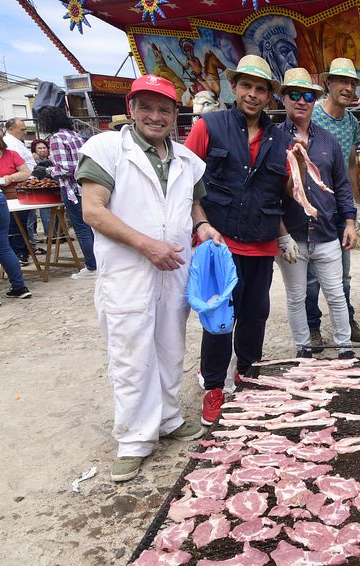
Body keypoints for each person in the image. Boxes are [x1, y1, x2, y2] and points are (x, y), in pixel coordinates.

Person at [76, 74, 220, 482]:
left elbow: (194, 205)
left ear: (176, 114)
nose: (155, 116)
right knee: (131, 353)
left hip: (173, 269)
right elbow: (93, 211)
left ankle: (170, 418)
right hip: (130, 272)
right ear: (132, 108)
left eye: (164, 109)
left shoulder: (188, 160)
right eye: (147, 107)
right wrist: (145, 245)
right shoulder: (107, 149)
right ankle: (135, 439)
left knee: (171, 347)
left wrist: (204, 227)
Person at [184, 55, 290, 426]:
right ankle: (214, 386)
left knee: (254, 314)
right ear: (235, 88)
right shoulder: (208, 126)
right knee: (218, 318)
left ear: (269, 96)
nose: (253, 94)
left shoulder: (281, 137)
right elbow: (186, 181)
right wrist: (199, 225)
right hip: (220, 242)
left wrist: (286, 234)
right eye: (246, 86)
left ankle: (247, 372)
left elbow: (283, 190)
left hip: (261, 244)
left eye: (261, 89)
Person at [274, 68, 357, 359]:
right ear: (283, 98)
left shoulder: (328, 141)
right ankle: (303, 351)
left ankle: (345, 349)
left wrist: (349, 221)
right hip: (292, 235)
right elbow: (270, 192)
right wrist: (281, 235)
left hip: (326, 233)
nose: (301, 101)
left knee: (336, 294)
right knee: (297, 297)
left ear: (314, 100)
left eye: (307, 95)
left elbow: (342, 185)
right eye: (294, 94)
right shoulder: (274, 139)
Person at [305, 57, 360, 349]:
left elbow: (352, 165)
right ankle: (312, 327)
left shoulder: (352, 123)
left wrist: (355, 206)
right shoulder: (311, 115)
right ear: (327, 83)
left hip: (339, 209)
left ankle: (345, 321)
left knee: (342, 274)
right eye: (341, 81)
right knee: (310, 278)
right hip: (311, 207)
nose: (347, 87)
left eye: (351, 83)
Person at [38, 106, 98, 280]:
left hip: (72, 188)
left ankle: (92, 266)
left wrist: (49, 171)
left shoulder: (57, 138)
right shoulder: (75, 135)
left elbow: (66, 168)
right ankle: (99, 262)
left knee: (81, 228)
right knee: (92, 226)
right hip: (86, 186)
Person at [0, 133, 32, 304]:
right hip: (0, 199)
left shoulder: (11, 154)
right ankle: (19, 287)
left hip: (7, 198)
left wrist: (11, 177)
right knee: (3, 247)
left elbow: (26, 171)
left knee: (4, 247)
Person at [3, 118, 35, 264]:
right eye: (21, 129)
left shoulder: (15, 142)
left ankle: (23, 249)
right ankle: (19, 251)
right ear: (11, 129)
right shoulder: (9, 144)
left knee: (21, 221)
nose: (24, 132)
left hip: (23, 183)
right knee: (16, 222)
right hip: (13, 188)